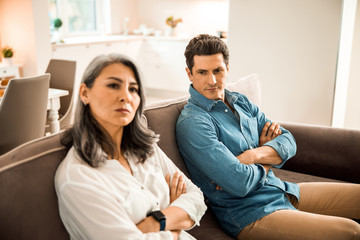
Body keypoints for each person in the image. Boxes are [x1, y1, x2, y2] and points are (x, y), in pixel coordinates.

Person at [176, 34, 360, 240]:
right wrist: (268, 161)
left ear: (227, 68)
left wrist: (254, 155)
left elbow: (288, 141)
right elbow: (239, 183)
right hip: (250, 214)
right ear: (189, 74)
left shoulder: (240, 101)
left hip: (280, 190)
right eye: (202, 72)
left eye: (217, 70)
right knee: (350, 232)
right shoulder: (194, 122)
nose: (212, 80)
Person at [55, 53, 206, 240]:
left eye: (133, 89)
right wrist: (174, 227)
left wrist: (158, 222)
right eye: (113, 85)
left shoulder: (147, 148)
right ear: (85, 93)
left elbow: (196, 197)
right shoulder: (78, 178)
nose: (126, 96)